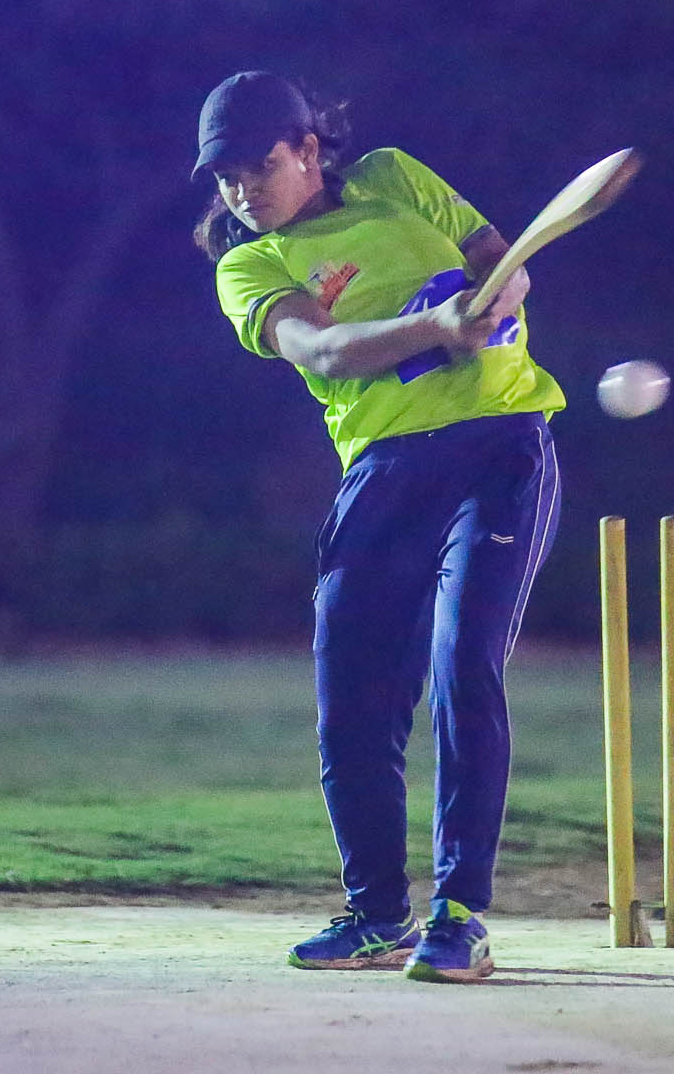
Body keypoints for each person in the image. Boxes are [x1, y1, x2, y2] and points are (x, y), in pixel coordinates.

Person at [193, 70, 564, 981]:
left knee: (464, 666)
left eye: (259, 167)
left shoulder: (395, 177)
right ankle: (376, 917)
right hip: (385, 473)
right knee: (353, 703)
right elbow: (322, 350)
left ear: (307, 149)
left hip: (499, 449)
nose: (242, 191)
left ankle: (460, 915)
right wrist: (439, 324)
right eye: (227, 177)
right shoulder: (249, 265)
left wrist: (497, 297)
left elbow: (505, 261)